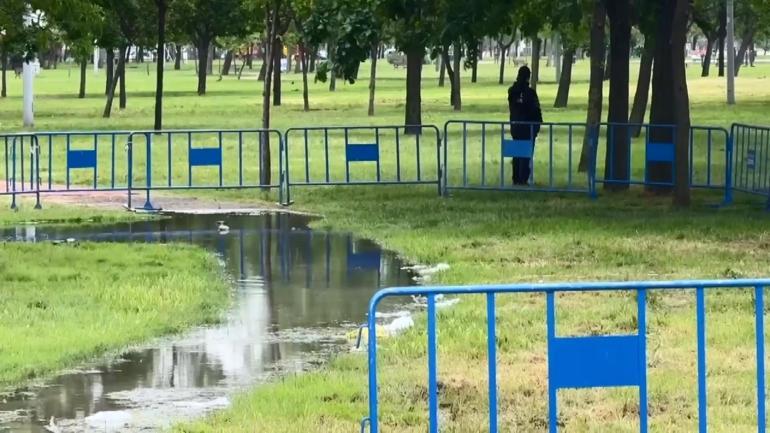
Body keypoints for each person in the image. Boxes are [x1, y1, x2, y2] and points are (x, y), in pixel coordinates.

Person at [507, 65, 543, 185]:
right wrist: (538, 125)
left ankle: (516, 178)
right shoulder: (530, 93)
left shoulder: (512, 91)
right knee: (526, 154)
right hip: (528, 127)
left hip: (515, 126)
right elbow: (536, 110)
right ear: (528, 77)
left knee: (517, 153)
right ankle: (523, 179)